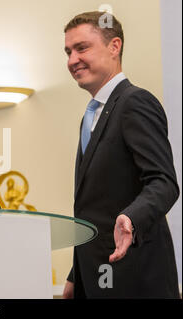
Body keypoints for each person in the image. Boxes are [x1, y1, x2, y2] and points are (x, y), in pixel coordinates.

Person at [62, 11, 180, 298]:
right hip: (95, 278)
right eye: (67, 51)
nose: (72, 60)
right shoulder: (91, 115)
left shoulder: (135, 102)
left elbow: (163, 182)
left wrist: (131, 217)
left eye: (82, 48)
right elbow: (94, 208)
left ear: (114, 46)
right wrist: (76, 274)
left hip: (134, 277)